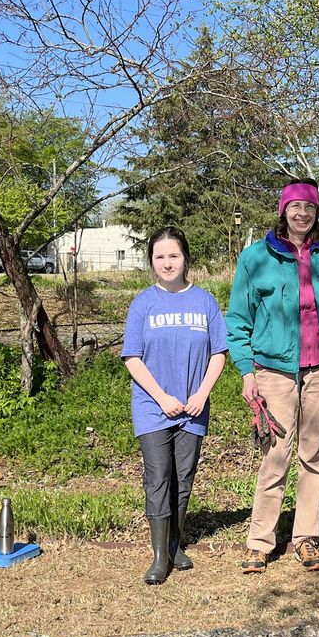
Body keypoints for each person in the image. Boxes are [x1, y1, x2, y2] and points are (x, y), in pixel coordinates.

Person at [226, 180, 319, 573]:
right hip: (274, 369)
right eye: (295, 207)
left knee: (313, 454)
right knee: (276, 455)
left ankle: (306, 538)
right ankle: (260, 541)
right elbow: (237, 319)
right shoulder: (256, 257)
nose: (302, 214)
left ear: (317, 214)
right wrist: (246, 370)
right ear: (283, 211)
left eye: (309, 208)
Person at [122, 227, 227, 585]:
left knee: (184, 477)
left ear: (186, 259)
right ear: (151, 261)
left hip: (193, 407)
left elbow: (218, 353)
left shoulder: (205, 302)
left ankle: (174, 545)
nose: (167, 263)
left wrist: (201, 394)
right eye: (160, 256)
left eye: (174, 255)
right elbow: (132, 358)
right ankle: (157, 557)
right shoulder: (143, 304)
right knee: (158, 477)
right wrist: (162, 397)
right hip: (153, 406)